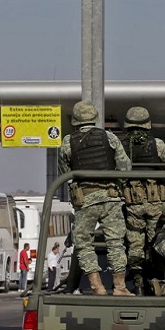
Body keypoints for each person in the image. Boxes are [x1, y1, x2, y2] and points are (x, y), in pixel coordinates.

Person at [58, 100, 133, 296]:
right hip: (110, 198)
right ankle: (120, 287)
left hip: (85, 200)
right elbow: (125, 167)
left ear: (75, 120)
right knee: (116, 242)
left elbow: (64, 171)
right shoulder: (109, 137)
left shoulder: (68, 142)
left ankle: (97, 287)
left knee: (83, 243)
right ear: (95, 118)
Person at [119, 106, 165, 294]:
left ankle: (138, 282)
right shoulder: (157, 144)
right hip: (156, 202)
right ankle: (156, 280)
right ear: (147, 125)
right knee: (156, 242)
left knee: (135, 245)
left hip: (132, 203)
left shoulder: (120, 146)